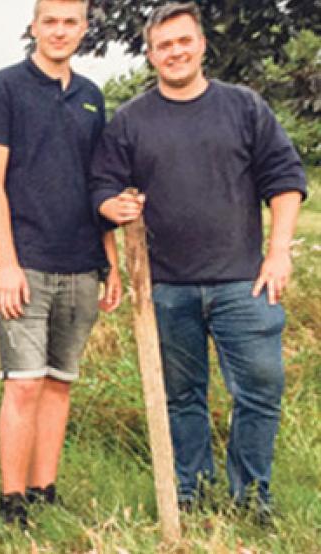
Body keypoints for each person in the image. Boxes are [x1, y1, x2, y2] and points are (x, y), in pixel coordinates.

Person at [90, 2, 306, 524]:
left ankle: (251, 497)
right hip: (165, 288)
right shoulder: (130, 120)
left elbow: (285, 181)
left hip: (244, 283)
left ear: (202, 44)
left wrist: (278, 253)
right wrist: (112, 206)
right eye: (164, 45)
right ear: (150, 54)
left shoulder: (244, 107)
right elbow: (102, 185)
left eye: (184, 41)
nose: (176, 52)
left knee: (258, 391)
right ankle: (192, 493)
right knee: (181, 398)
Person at [0, 0, 122, 528]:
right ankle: (11, 501)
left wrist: (111, 261)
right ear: (33, 27)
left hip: (82, 262)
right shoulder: (4, 87)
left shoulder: (91, 97)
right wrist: (7, 264)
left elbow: (98, 182)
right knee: (24, 383)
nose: (60, 32)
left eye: (70, 22)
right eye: (50, 22)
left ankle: (43, 490)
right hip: (26, 263)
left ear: (84, 29)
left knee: (59, 382)